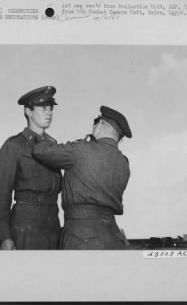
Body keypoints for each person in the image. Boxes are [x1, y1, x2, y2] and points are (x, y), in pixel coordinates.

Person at [32, 106, 132, 250]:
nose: (93, 126)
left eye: (96, 121)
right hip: (113, 234)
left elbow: (40, 151)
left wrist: (42, 136)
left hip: (81, 233)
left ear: (102, 124)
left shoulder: (81, 150)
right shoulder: (124, 162)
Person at [0, 86, 62, 250]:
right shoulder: (14, 145)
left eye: (51, 108)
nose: (49, 112)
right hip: (26, 223)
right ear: (28, 111)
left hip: (53, 223)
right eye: (43, 108)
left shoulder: (54, 148)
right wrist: (5, 236)